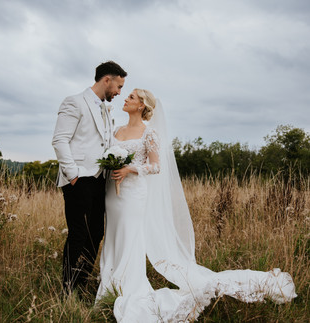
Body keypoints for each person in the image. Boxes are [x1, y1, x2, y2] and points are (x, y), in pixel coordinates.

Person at [95, 88, 297, 322]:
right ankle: (109, 283)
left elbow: (156, 166)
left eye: (131, 97)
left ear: (141, 105)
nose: (126, 98)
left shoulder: (149, 134)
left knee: (130, 236)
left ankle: (126, 284)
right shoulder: (117, 130)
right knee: (112, 235)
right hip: (113, 195)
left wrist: (130, 168)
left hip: (133, 194)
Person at [52, 61, 127, 295]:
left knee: (96, 233)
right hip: (79, 179)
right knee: (79, 234)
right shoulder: (74, 102)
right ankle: (68, 289)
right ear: (107, 79)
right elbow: (60, 140)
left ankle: (81, 284)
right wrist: (73, 175)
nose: (119, 92)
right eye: (119, 86)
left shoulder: (106, 108)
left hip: (99, 180)